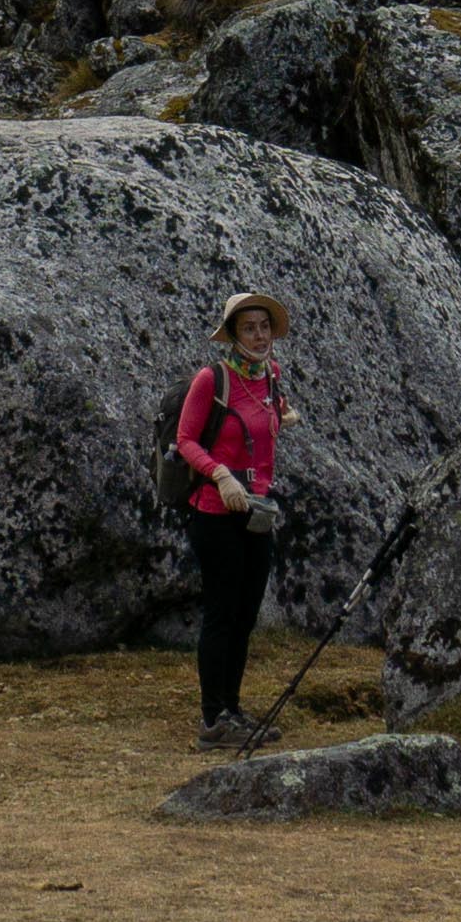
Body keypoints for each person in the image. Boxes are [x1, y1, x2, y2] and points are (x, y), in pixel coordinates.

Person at [172, 289, 292, 747]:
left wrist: (283, 416)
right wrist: (221, 474)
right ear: (233, 335)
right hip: (214, 512)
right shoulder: (212, 379)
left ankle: (234, 710)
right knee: (221, 614)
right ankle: (211, 720)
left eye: (264, 327)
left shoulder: (271, 376)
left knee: (245, 615)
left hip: (257, 511)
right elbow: (186, 440)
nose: (259, 336)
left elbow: (267, 417)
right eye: (249, 328)